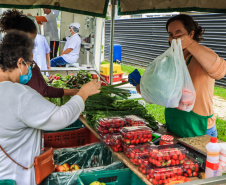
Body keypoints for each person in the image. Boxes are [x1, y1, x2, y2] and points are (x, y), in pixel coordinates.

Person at [0, 31, 100, 185]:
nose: (29, 71)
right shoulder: (18, 95)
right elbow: (61, 117)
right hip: (16, 177)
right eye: (30, 64)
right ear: (20, 63)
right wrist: (83, 93)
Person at [129, 14, 226, 138]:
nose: (174, 37)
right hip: (174, 126)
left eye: (178, 33)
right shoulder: (171, 59)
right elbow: (161, 95)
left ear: (191, 34)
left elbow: (220, 71)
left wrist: (190, 44)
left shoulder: (202, 55)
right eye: (170, 34)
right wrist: (141, 85)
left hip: (199, 128)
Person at [0, 9, 79, 97]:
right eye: (32, 40)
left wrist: (75, 92)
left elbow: (42, 89)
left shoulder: (29, 63)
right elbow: (42, 90)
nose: (32, 44)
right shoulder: (23, 63)